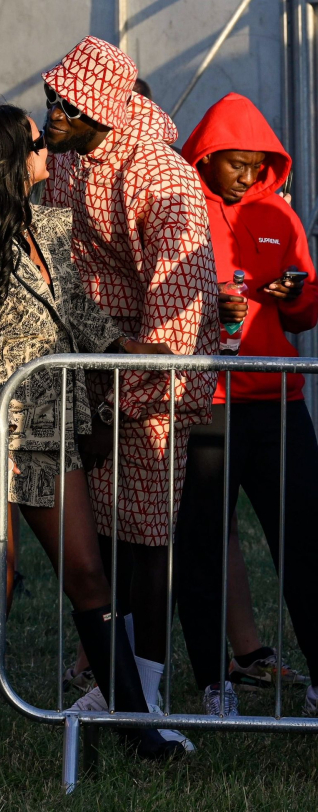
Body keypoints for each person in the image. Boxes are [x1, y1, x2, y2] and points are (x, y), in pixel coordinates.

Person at [0, 102, 191, 774]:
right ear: (9, 158)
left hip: (49, 431)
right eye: (36, 142)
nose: (48, 150)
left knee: (87, 575)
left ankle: (137, 732)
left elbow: (77, 311)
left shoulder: (45, 227)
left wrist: (129, 348)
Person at [41, 36, 218, 745]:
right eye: (50, 97)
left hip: (149, 382)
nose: (49, 111)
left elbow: (180, 305)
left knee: (146, 539)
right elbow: (56, 260)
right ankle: (109, 681)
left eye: (64, 103)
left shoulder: (163, 178)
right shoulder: (63, 161)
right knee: (97, 537)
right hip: (85, 362)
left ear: (101, 108)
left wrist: (126, 396)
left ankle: (144, 694)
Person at [176, 92, 318, 716]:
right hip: (207, 403)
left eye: (258, 164)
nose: (248, 174)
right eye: (236, 163)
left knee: (305, 539)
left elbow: (308, 313)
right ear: (206, 157)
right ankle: (214, 681)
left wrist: (294, 296)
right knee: (203, 540)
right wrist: (211, 312)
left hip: (278, 402)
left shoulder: (279, 216)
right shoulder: (185, 210)